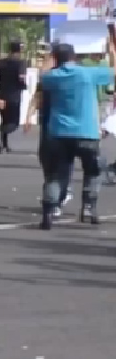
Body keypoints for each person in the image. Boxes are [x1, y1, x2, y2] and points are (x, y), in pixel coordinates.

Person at [33, 41, 114, 228]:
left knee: (56, 174)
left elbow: (42, 74)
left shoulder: (52, 77)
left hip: (59, 132)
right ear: (74, 56)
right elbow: (113, 71)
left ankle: (49, 210)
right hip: (87, 132)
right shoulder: (88, 73)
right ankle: (88, 207)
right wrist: (112, 50)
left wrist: (49, 57)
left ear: (56, 58)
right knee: (94, 170)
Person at [0, 42, 28, 152]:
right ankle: (2, 135)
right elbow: (21, 77)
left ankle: (4, 144)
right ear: (19, 50)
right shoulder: (21, 63)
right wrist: (23, 85)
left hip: (1, 94)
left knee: (4, 119)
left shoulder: (1, 62)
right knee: (14, 122)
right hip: (14, 96)